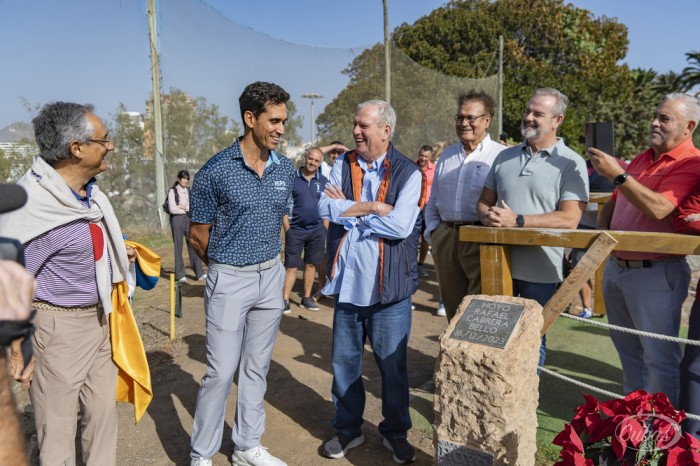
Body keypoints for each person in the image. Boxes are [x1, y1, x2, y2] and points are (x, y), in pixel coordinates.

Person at [0, 102, 137, 466]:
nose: (110, 146)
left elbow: (81, 244)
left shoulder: (88, 196)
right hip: (57, 330)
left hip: (101, 320)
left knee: (102, 417)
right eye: (104, 140)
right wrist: (18, 349)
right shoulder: (33, 208)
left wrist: (116, 253)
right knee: (57, 429)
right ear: (77, 148)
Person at [188, 81, 294, 466]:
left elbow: (283, 219)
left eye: (285, 121)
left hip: (271, 277)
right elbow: (198, 236)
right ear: (250, 119)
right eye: (275, 120)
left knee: (256, 367)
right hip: (229, 279)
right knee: (219, 371)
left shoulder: (286, 168)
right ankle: (201, 455)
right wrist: (226, 268)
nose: (282, 128)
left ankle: (247, 446)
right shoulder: (215, 171)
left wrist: (279, 270)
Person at [319, 99, 423, 464]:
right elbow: (324, 208)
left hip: (389, 291)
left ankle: (395, 433)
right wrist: (372, 207)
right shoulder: (341, 164)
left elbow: (400, 226)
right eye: (354, 124)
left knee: (392, 367)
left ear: (385, 130)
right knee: (344, 364)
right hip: (347, 287)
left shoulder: (410, 172)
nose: (356, 131)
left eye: (363, 125)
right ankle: (348, 429)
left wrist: (348, 208)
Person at [590, 93, 700, 407]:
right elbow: (614, 205)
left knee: (658, 358)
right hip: (617, 268)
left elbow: (660, 208)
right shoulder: (642, 158)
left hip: (656, 272)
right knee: (628, 354)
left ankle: (660, 428)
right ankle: (632, 422)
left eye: (664, 118)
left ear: (688, 126)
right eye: (655, 115)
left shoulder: (691, 162)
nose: (654, 122)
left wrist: (618, 174)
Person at [477, 87, 589, 369]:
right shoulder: (504, 157)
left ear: (557, 120)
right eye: (528, 111)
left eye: (538, 114)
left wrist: (520, 221)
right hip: (496, 265)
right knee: (493, 339)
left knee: (531, 340)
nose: (528, 117)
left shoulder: (571, 162)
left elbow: (570, 219)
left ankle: (524, 407)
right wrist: (488, 216)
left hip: (541, 270)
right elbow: (483, 202)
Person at [424, 90, 507, 321]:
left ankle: (476, 358)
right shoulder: (446, 156)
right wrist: (434, 233)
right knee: (453, 309)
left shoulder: (502, 156)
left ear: (487, 120)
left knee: (480, 311)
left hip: (482, 239)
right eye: (460, 117)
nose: (464, 123)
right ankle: (455, 357)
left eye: (471, 118)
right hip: (447, 238)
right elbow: (434, 199)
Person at [568, 156, 628, 319]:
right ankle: (587, 308)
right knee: (580, 268)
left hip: (611, 229)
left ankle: (605, 308)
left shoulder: (620, 165)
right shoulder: (579, 165)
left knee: (610, 270)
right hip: (584, 227)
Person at [282, 147, 328, 312]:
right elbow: (283, 205)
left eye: (316, 161)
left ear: (320, 163)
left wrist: (324, 227)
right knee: (291, 266)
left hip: (317, 231)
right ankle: (285, 300)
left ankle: (306, 298)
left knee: (310, 265)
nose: (312, 163)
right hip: (295, 230)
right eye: (310, 159)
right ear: (305, 158)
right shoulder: (291, 178)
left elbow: (327, 206)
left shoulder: (323, 181)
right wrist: (288, 228)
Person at [168, 169, 205, 283]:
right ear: (179, 179)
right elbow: (172, 209)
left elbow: (192, 206)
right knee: (178, 247)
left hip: (188, 219)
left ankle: (199, 272)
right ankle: (180, 275)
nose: (185, 180)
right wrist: (185, 207)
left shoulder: (189, 191)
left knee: (193, 245)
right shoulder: (172, 192)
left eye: (187, 179)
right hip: (177, 220)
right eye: (183, 178)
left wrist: (182, 206)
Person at [416, 144, 435, 279]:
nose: (423, 158)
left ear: (430, 157)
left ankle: (421, 265)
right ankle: (410, 265)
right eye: (421, 155)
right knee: (410, 237)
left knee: (425, 237)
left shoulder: (435, 169)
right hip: (414, 206)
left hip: (428, 206)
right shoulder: (412, 166)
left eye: (426, 156)